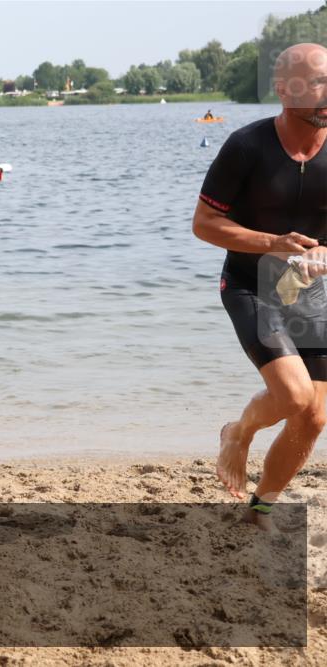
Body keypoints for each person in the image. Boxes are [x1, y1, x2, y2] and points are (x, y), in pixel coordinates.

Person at [192, 43, 327, 530]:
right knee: (292, 396)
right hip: (250, 284)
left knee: (313, 418)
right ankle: (238, 431)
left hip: (309, 291)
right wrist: (273, 242)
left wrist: (322, 255)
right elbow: (205, 224)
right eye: (318, 83)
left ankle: (261, 509)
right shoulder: (247, 147)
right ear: (285, 90)